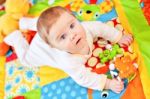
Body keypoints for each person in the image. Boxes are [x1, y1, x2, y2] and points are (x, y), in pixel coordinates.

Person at [4, 6, 133, 93]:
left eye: (72, 25)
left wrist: (118, 37)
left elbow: (101, 28)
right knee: (26, 60)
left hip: (49, 33)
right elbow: (84, 78)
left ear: (75, 19)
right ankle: (16, 38)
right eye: (63, 37)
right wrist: (107, 84)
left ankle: (25, 23)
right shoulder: (68, 61)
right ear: (54, 46)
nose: (73, 35)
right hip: (40, 49)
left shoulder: (85, 28)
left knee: (48, 22)